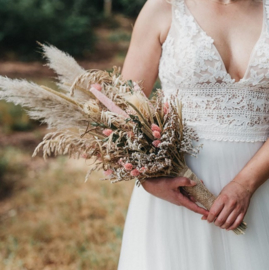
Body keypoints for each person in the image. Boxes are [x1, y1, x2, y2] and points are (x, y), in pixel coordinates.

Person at [118, 0, 269, 269]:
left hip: (260, 188)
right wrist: (150, 180)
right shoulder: (163, 8)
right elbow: (121, 111)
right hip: (176, 193)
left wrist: (245, 185)